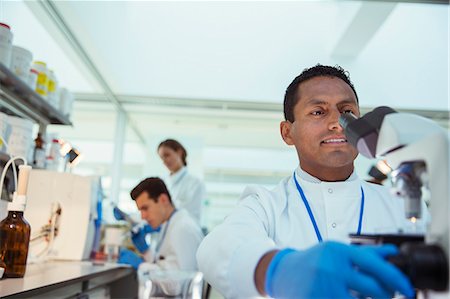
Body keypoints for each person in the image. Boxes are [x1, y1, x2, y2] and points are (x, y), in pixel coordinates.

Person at [196, 64, 428, 298]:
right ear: (287, 132)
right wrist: (278, 269)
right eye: (318, 112)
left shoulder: (401, 204)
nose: (337, 123)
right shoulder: (266, 204)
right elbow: (217, 248)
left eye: (347, 111)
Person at [118, 177, 204, 273]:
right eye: (140, 211)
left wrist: (141, 266)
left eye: (145, 208)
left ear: (163, 200)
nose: (143, 217)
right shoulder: (169, 224)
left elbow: (177, 282)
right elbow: (165, 265)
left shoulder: (182, 228)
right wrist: (146, 251)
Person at [157, 139, 206, 224]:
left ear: (179, 152)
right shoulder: (163, 183)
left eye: (167, 155)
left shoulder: (195, 183)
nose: (164, 161)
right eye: (162, 158)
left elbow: (190, 215)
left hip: (184, 232)